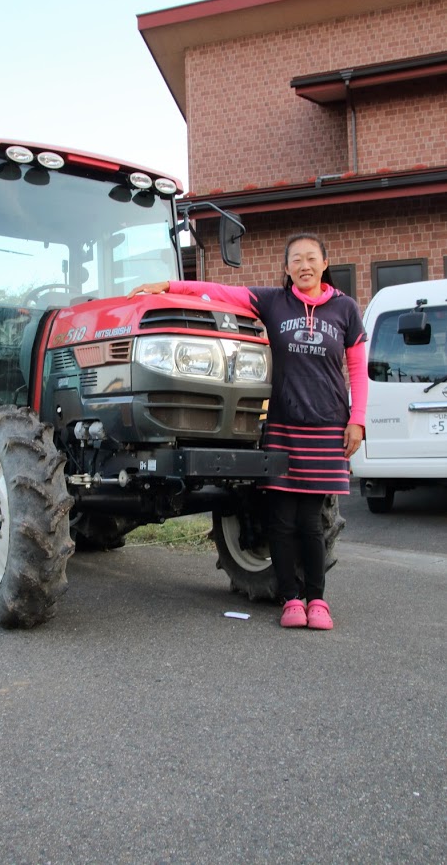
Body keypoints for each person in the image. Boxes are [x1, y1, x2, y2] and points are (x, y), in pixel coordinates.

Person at [128, 232, 368, 630]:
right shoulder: (274, 302)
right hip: (283, 426)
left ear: (325, 263)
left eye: (311, 259)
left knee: (312, 521)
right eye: (296, 260)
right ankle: (291, 599)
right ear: (287, 268)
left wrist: (357, 420)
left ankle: (318, 601)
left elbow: (357, 369)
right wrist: (170, 285)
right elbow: (221, 292)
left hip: (327, 426)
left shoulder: (345, 309)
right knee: (282, 519)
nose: (304, 266)